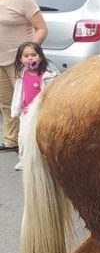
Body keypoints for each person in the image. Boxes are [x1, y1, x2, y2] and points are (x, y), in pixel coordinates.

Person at [0, 0, 47, 152]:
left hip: (18, 61)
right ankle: (11, 140)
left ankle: (33, 141)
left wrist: (28, 53)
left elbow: (41, 29)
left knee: (27, 102)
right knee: (6, 102)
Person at [10, 41, 55, 170]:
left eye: (33, 55)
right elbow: (18, 93)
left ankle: (45, 160)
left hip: (41, 113)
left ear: (40, 56)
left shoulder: (47, 75)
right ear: (20, 59)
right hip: (26, 113)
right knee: (23, 137)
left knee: (41, 137)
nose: (30, 58)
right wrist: (15, 110)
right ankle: (24, 160)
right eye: (26, 56)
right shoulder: (22, 75)